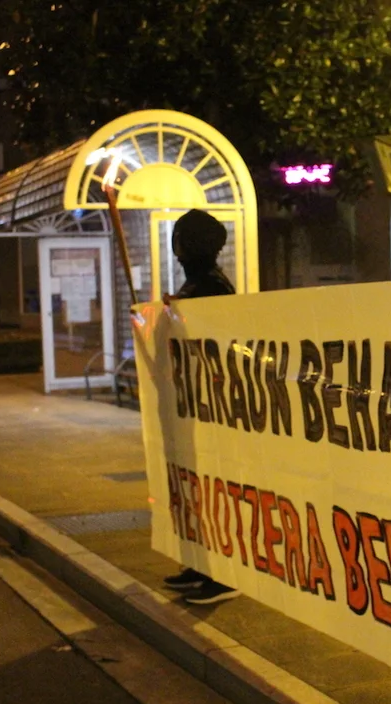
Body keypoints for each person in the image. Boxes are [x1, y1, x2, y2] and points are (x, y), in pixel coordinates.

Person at [161, 209, 240, 605]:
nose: (177, 251)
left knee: (211, 490)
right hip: (195, 405)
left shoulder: (212, 286)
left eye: (180, 241)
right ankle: (200, 563)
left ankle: (223, 573)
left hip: (212, 407)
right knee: (194, 489)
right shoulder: (198, 283)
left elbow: (215, 340)